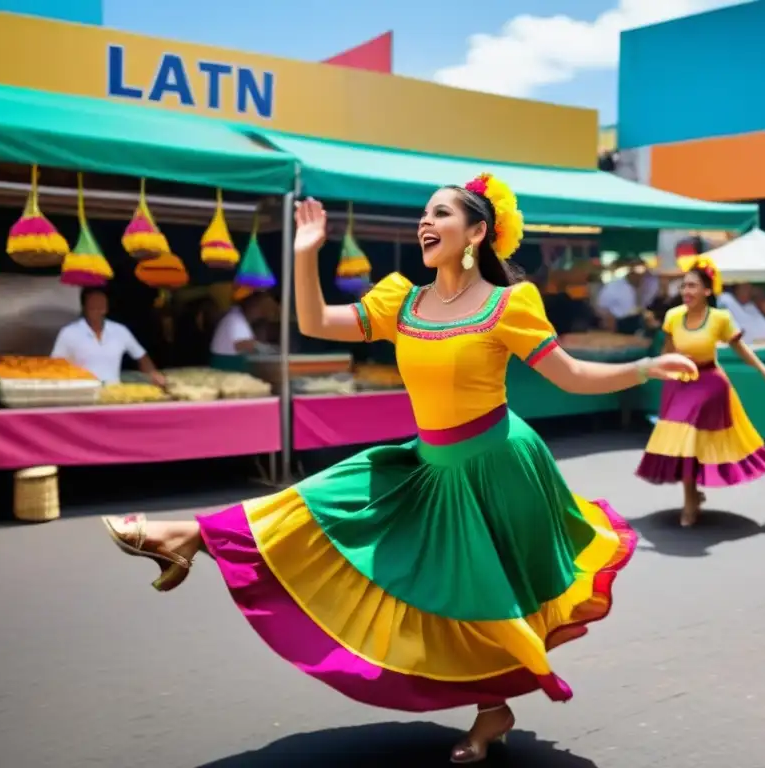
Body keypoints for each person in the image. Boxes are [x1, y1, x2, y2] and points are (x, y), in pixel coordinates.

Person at [101, 174, 697, 764]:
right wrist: (305, 256)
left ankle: (493, 710)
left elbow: (570, 375)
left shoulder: (508, 303)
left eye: (440, 214)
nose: (425, 222)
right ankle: (189, 536)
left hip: (495, 468)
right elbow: (315, 324)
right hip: (425, 463)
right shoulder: (403, 301)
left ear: (476, 232)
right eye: (425, 214)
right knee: (313, 507)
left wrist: (644, 366)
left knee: (479, 599)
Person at [636, 256, 765, 527]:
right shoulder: (673, 316)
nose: (686, 292)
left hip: (709, 384)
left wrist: (764, 370)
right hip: (679, 383)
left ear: (707, 291)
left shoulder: (720, 319)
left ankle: (690, 504)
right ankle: (692, 496)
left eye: (692, 286)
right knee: (681, 441)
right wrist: (653, 370)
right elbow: (667, 352)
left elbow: (740, 348)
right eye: (684, 286)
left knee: (690, 436)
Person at [51, 287, 164, 385]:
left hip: (113, 392)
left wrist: (154, 375)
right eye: (93, 306)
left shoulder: (120, 331)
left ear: (106, 308)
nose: (97, 310)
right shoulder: (69, 333)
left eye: (101, 306)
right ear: (84, 308)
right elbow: (56, 366)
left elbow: (141, 357)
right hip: (82, 393)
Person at [209, 291, 270, 371]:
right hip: (227, 369)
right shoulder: (235, 319)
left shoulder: (241, 319)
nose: (262, 311)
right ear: (251, 306)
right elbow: (241, 344)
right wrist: (264, 348)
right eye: (260, 306)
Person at [594, 259, 657, 335]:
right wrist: (610, 323)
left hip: (642, 323)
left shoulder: (650, 285)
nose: (640, 276)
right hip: (620, 323)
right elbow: (601, 307)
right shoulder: (614, 286)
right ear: (630, 271)